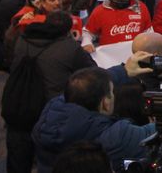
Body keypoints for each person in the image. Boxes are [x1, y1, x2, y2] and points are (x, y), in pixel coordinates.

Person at [32, 55, 162, 173]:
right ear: (105, 103)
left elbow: (81, 86)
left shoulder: (51, 110)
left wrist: (123, 71)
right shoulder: (116, 136)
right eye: (111, 92)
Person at [6, 10, 96, 173]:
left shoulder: (23, 40)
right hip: (50, 115)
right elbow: (92, 72)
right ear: (69, 30)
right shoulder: (70, 48)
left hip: (19, 108)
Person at [82, 0, 153, 52]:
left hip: (136, 57)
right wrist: (87, 43)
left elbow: (149, 32)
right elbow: (87, 32)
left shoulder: (141, 7)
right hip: (110, 60)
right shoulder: (100, 11)